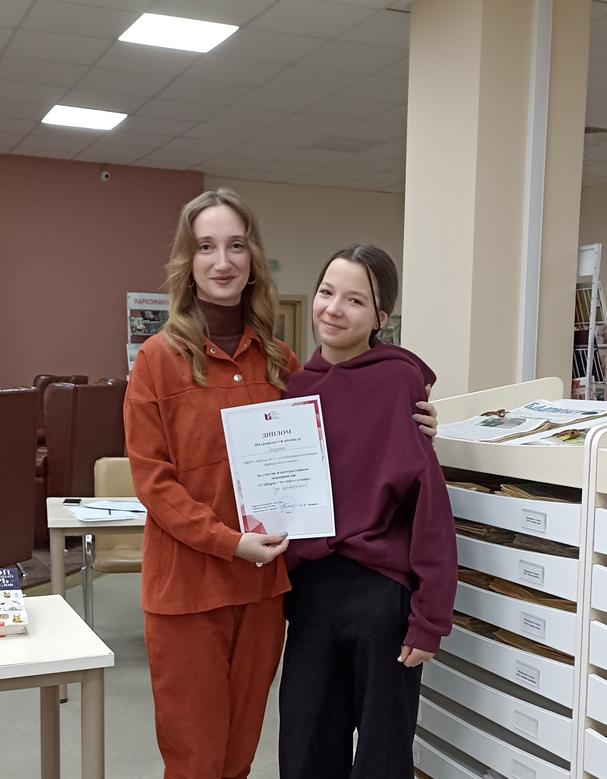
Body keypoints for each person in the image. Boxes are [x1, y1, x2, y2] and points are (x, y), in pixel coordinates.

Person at [124, 188, 440, 779]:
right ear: (187, 261)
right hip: (188, 589)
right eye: (206, 247)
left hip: (264, 591)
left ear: (253, 260)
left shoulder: (280, 364)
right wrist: (229, 542)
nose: (222, 261)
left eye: (236, 246)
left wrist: (413, 418)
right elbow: (153, 482)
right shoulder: (157, 360)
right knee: (195, 759)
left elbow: (347, 427)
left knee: (241, 752)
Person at [278, 245, 457, 779]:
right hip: (309, 595)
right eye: (326, 292)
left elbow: (429, 506)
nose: (334, 309)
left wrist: (430, 619)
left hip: (381, 598)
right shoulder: (291, 389)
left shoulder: (399, 382)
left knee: (382, 758)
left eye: (355, 300)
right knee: (305, 750)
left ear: (381, 317)